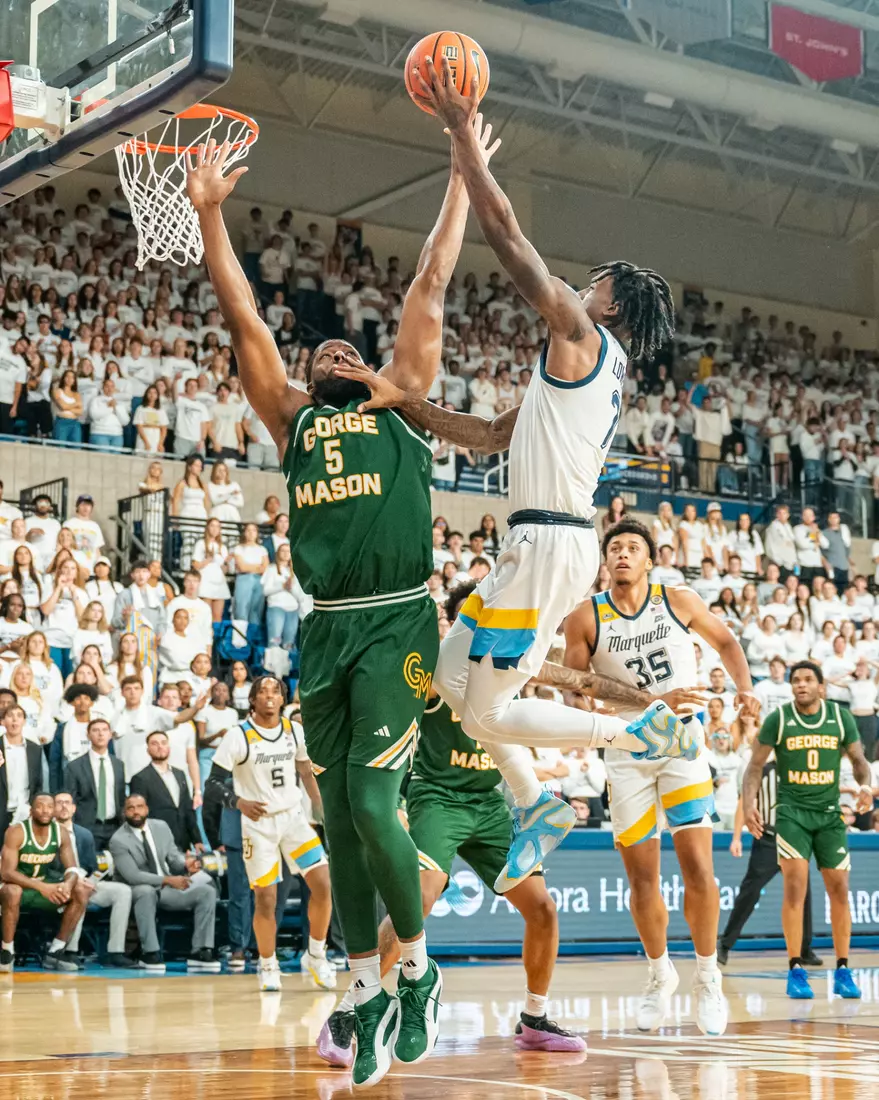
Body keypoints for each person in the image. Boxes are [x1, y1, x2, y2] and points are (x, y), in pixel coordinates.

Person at [187, 123, 503, 1083]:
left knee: (371, 799)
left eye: (341, 346)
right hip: (325, 631)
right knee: (338, 826)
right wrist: (209, 216)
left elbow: (432, 282)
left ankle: (415, 972)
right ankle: (363, 992)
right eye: (315, 348)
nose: (328, 348)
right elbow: (245, 319)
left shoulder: (400, 399)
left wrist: (462, 171)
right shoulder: (292, 420)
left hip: (401, 617)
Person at [334, 72, 690, 903]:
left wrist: (461, 133)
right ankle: (537, 801)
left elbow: (505, 233)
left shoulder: (578, 332)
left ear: (611, 304)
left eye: (593, 281)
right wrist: (402, 401)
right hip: (541, 542)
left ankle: (635, 731)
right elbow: (490, 435)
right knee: (455, 690)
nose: (578, 284)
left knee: (487, 712)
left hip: (548, 542)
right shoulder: (577, 372)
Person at [317, 584, 586, 1068]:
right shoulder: (437, 670)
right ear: (456, 624)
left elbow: (568, 684)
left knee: (543, 909)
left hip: (489, 803)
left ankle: (534, 1018)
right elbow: (395, 728)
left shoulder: (509, 664)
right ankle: (351, 1009)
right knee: (416, 899)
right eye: (472, 616)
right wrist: (393, 799)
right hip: (438, 798)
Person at [564, 519, 759, 1036]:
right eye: (615, 548)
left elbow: (728, 642)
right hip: (625, 749)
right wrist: (647, 702)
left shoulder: (679, 600)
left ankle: (708, 976)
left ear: (650, 560)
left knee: (698, 865)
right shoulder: (585, 616)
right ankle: (658, 974)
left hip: (681, 744)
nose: (623, 554)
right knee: (642, 876)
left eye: (633, 548)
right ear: (605, 561)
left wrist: (744, 689)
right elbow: (574, 688)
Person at [742, 661, 873, 1000]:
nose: (801, 685)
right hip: (792, 814)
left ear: (821, 687)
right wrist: (748, 804)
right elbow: (754, 766)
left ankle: (843, 968)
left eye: (807, 679)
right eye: (795, 680)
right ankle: (796, 967)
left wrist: (865, 786)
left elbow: (859, 761)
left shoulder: (840, 718)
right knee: (795, 886)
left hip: (829, 813)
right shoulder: (780, 719)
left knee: (840, 888)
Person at [205, 676, 334, 992]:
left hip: (293, 820)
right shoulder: (238, 736)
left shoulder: (294, 730)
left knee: (323, 884)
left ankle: (316, 955)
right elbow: (212, 784)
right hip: (258, 826)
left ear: (282, 699)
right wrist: (238, 802)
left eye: (275, 691)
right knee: (266, 899)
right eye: (262, 691)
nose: (269, 696)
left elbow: (305, 771)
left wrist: (321, 809)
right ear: (252, 700)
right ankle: (267, 964)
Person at [717, 753, 820, 969]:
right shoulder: (763, 770)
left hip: (795, 840)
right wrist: (736, 837)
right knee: (750, 892)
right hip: (768, 839)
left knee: (804, 894)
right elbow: (744, 802)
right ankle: (725, 944)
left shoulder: (800, 772)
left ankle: (804, 949)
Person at [109, 793, 219, 972]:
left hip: (167, 888)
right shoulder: (118, 840)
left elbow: (173, 857)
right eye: (131, 808)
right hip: (135, 890)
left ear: (147, 809)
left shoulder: (161, 827)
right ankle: (150, 952)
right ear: (124, 812)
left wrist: (185, 863)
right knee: (146, 891)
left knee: (207, 891)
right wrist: (167, 879)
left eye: (139, 807)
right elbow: (133, 876)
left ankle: (201, 950)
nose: (136, 812)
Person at [0, 792, 92, 972]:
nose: (45, 811)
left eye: (50, 806)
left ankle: (56, 950)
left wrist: (67, 884)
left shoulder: (61, 832)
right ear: (32, 810)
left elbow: (72, 868)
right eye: (40, 806)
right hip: (17, 888)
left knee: (80, 890)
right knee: (13, 891)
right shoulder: (16, 831)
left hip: (43, 888)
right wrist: (42, 887)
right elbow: (7, 872)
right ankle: (7, 951)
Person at [52, 790, 136, 968]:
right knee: (79, 892)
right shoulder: (48, 834)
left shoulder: (84, 834)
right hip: (59, 885)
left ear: (74, 809)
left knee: (122, 891)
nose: (63, 806)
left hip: (85, 881)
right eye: (59, 803)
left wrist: (89, 879)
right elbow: (48, 868)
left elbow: (91, 865)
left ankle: (116, 951)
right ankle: (70, 951)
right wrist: (75, 881)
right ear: (52, 809)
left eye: (67, 802)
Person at [130, 731, 203, 852]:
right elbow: (140, 813)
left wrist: (197, 839)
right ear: (148, 750)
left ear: (168, 747)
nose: (160, 746)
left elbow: (187, 808)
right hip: (158, 842)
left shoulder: (180, 774)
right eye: (154, 743)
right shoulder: (140, 778)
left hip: (183, 841)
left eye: (163, 743)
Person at [64, 719, 127, 848]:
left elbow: (121, 798)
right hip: (87, 827)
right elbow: (70, 800)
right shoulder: (74, 766)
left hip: (115, 827)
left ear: (110, 734)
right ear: (88, 735)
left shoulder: (119, 765)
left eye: (104, 730)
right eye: (95, 730)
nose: (100, 734)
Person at [0, 703, 43, 838]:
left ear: (24, 721)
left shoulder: (35, 749)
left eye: (19, 716)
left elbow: (38, 782)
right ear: (2, 721)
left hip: (25, 811)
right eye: (10, 716)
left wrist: (34, 807)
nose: (14, 719)